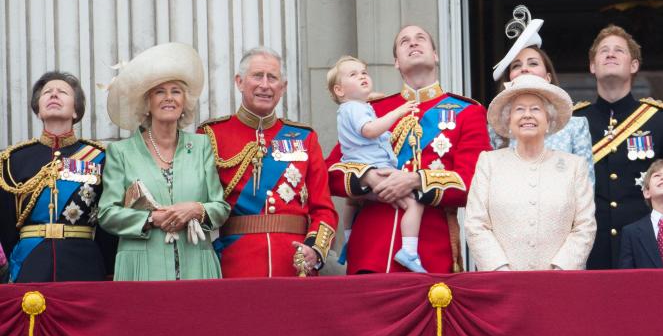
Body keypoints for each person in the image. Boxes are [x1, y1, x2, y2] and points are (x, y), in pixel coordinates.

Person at [326, 24, 489, 273]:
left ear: (435, 55)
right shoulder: (372, 110)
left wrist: (415, 180)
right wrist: (366, 176)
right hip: (370, 252)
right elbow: (330, 173)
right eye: (405, 41)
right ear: (396, 62)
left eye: (420, 38)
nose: (413, 43)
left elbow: (474, 183)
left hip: (430, 254)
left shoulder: (468, 112)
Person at [198, 47, 339, 277]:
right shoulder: (211, 134)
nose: (265, 85)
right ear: (240, 82)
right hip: (236, 264)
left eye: (272, 78)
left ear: (282, 88)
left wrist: (315, 249)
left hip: (295, 264)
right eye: (257, 76)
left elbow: (324, 209)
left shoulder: (304, 137)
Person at [99, 42, 230, 280]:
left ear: (184, 103)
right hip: (141, 268)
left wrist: (196, 209)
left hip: (196, 265)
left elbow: (220, 208)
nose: (168, 98)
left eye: (176, 91)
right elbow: (107, 213)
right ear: (146, 103)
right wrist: (151, 218)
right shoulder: (121, 152)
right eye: (159, 91)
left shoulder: (201, 146)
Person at [576, 24, 663, 269]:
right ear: (592, 66)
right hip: (587, 247)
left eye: (619, 50)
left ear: (634, 65)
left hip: (648, 247)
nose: (610, 54)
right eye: (603, 51)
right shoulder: (574, 122)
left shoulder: (662, 120)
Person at [464, 74, 595, 270]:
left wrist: (559, 269)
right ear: (508, 120)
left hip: (560, 283)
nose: (527, 115)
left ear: (548, 119)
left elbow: (584, 226)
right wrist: (500, 270)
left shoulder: (574, 166)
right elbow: (476, 224)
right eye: (519, 109)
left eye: (535, 109)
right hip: (502, 284)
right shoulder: (488, 163)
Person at [0, 71, 115, 282]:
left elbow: (108, 221)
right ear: (38, 110)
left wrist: (108, 268)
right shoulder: (13, 159)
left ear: (76, 110)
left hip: (84, 263)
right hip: (29, 262)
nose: (54, 95)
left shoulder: (100, 157)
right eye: (47, 93)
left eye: (62, 92)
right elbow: (6, 224)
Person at [327, 55, 425, 272]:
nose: (362, 76)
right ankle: (409, 251)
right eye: (354, 74)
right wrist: (397, 111)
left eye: (364, 72)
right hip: (377, 167)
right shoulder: (362, 108)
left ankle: (348, 240)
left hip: (357, 165)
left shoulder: (353, 107)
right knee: (415, 203)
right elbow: (369, 130)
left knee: (353, 202)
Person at [488, 6, 594, 185]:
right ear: (509, 79)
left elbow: (586, 187)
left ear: (547, 77)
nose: (524, 68)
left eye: (533, 63)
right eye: (516, 65)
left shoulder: (575, 127)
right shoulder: (494, 131)